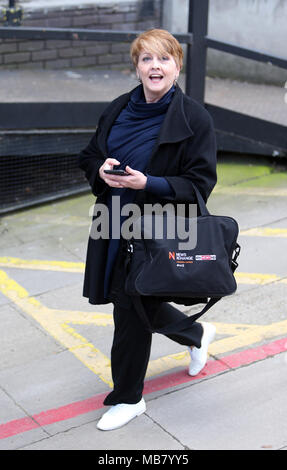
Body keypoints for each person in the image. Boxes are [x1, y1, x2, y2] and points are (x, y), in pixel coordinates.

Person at [78, 29, 217, 431]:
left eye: (164, 59)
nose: (155, 66)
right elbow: (90, 153)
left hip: (158, 228)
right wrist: (101, 169)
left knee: (130, 308)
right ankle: (196, 333)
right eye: (146, 59)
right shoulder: (119, 108)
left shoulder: (195, 118)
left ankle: (128, 398)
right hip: (114, 222)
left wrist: (147, 183)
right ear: (136, 67)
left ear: (177, 66)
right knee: (136, 302)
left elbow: (199, 184)